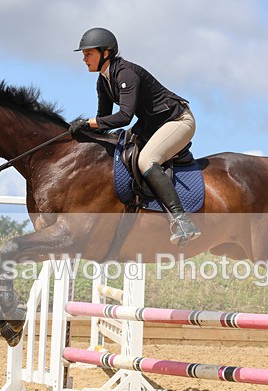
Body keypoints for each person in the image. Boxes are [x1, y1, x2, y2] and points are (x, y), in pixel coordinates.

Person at [70, 27, 200, 246]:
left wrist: (87, 122)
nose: (84, 59)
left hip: (178, 120)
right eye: (84, 54)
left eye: (88, 53)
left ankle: (183, 222)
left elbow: (124, 117)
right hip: (153, 124)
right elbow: (103, 119)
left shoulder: (126, 73)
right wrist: (81, 130)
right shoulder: (103, 80)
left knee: (146, 160)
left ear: (106, 53)